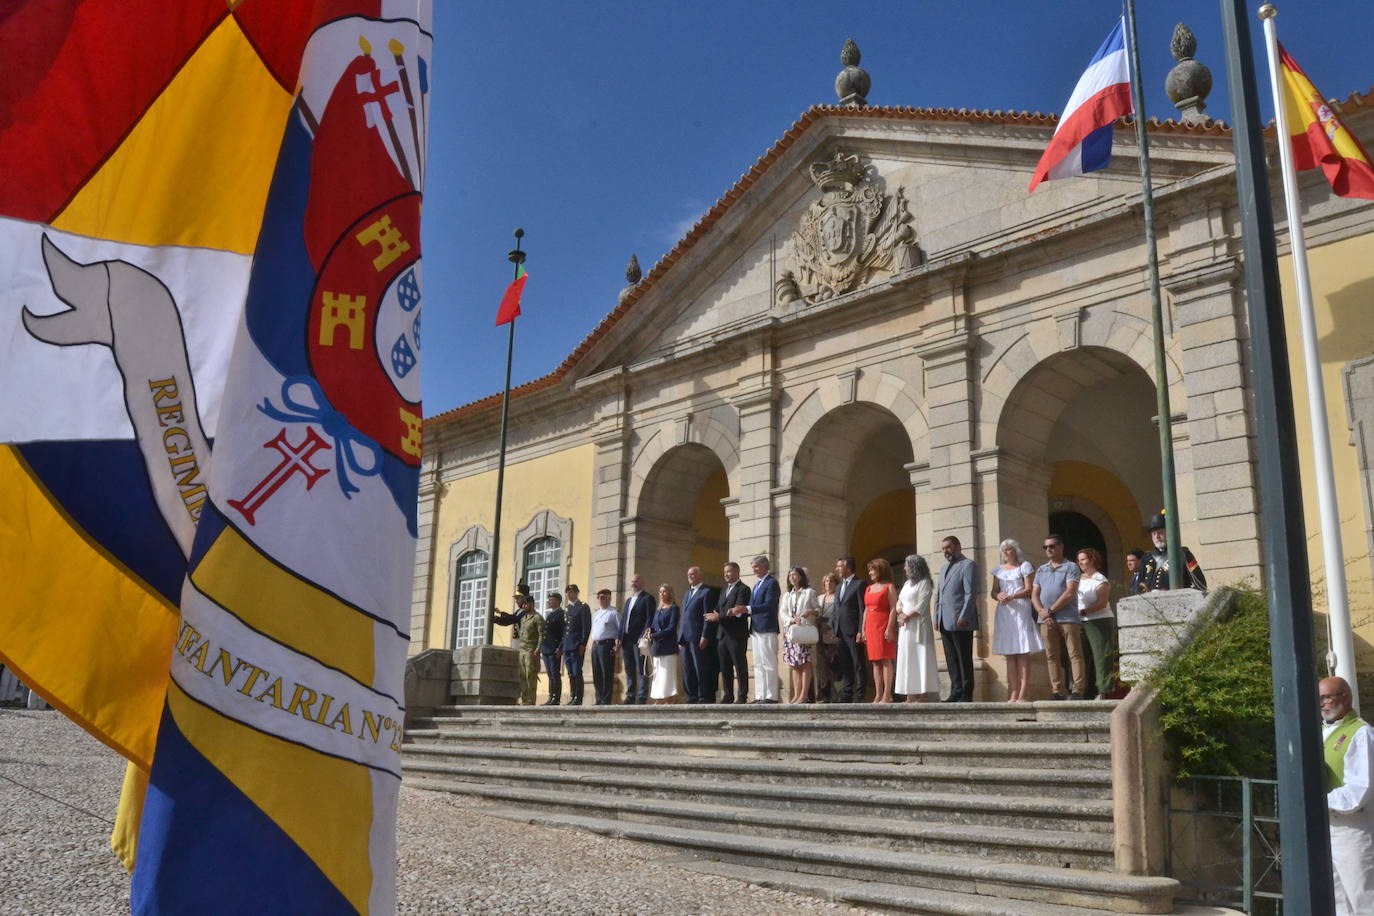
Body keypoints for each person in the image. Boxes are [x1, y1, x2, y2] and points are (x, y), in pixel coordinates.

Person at [1320, 676, 1374, 915]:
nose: (1322, 703)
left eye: (1327, 697)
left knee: (1363, 898)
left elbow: (1360, 790)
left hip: (1352, 829)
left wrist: (1318, 801)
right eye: (1319, 698)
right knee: (1337, 899)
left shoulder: (1362, 734)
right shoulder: (1322, 731)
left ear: (1346, 697)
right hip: (1327, 826)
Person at [1032, 534, 1084, 700]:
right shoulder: (1041, 569)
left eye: (1052, 546)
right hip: (1045, 619)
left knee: (1074, 654)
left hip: (1067, 618)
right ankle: (1058, 691)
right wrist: (1042, 612)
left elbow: (1070, 592)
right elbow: (1034, 594)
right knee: (1051, 656)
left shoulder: (1071, 567)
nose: (1048, 549)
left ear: (1061, 547)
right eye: (1045, 547)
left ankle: (1078, 690)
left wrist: (1050, 610)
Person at [991, 539, 1041, 703]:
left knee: (1022, 652)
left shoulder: (1024, 566)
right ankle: (1013, 691)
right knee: (1010, 653)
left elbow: (1029, 589)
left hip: (1020, 608)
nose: (1005, 552)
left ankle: (1024, 692)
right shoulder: (998, 570)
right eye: (1003, 550)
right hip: (1005, 611)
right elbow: (994, 591)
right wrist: (999, 595)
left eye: (1009, 549)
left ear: (1015, 551)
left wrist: (1012, 595)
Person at [936, 536, 979, 702]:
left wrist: (964, 616)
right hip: (944, 620)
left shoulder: (968, 565)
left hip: (961, 620)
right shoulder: (943, 568)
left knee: (963, 657)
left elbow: (970, 594)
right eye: (943, 548)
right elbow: (938, 594)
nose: (946, 551)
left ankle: (966, 693)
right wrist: (936, 616)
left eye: (948, 547)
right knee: (951, 658)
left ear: (958, 546)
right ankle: (955, 691)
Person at [733, 555, 781, 704]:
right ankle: (760, 695)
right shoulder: (757, 585)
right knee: (758, 663)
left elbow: (769, 605)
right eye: (753, 567)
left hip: (767, 627)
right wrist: (740, 611)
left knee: (769, 662)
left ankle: (771, 695)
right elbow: (751, 606)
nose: (754, 569)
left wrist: (747, 608)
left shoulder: (771, 583)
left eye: (756, 566)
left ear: (765, 567)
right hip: (756, 628)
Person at [894, 554, 939, 702]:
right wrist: (900, 614)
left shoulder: (925, 583)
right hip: (905, 627)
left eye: (907, 565)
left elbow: (922, 603)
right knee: (908, 658)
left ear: (914, 566)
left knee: (920, 657)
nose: (905, 568)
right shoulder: (907, 584)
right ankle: (910, 694)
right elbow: (899, 602)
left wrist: (907, 616)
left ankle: (923, 694)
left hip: (918, 625)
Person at [1076, 548, 1118, 700]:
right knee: (1081, 657)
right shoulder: (1077, 579)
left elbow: (1102, 602)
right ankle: (1079, 691)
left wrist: (1084, 612)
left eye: (1083, 559)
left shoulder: (1100, 579)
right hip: (1081, 623)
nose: (1080, 563)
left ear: (1092, 560)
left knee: (1101, 657)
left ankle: (1103, 691)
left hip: (1099, 621)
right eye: (1078, 560)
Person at [709, 561, 751, 704]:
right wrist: (715, 613)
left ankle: (742, 695)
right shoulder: (723, 590)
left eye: (729, 571)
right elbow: (718, 608)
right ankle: (728, 695)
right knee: (724, 666)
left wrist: (718, 617)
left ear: (737, 572)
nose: (726, 574)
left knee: (739, 665)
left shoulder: (743, 589)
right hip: (722, 635)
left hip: (736, 634)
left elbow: (737, 612)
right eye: (725, 572)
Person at [860, 558, 899, 703]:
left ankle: (887, 694)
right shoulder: (868, 588)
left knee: (886, 660)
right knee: (875, 662)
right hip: (870, 626)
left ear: (880, 570)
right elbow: (865, 609)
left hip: (883, 625)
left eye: (872, 570)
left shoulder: (889, 587)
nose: (870, 572)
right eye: (869, 570)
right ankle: (878, 694)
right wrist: (863, 629)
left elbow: (893, 608)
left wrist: (889, 628)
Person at [679, 566, 720, 704]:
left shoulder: (706, 592)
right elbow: (683, 616)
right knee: (687, 668)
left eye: (693, 574)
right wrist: (680, 637)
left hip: (698, 637)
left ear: (699, 576)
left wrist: (705, 635)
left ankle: (703, 696)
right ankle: (691, 696)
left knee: (700, 667)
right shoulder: (686, 594)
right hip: (685, 638)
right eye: (688, 574)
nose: (690, 576)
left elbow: (707, 616)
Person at [779, 566, 819, 704]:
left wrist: (811, 612)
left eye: (795, 575)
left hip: (804, 631)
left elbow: (818, 609)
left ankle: (804, 694)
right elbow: (782, 612)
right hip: (791, 632)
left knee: (805, 662)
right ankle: (796, 695)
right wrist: (790, 620)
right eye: (790, 575)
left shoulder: (809, 592)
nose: (792, 577)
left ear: (801, 577)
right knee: (794, 664)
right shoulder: (787, 595)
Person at [1140, 512, 1207, 592]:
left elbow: (1200, 584)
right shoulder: (1147, 558)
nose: (1157, 537)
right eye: (1154, 534)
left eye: (1160, 533)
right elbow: (1139, 588)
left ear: (1168, 533)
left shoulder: (1183, 554)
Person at [832, 556, 867, 703]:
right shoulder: (839, 586)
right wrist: (834, 629)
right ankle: (847, 693)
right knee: (845, 663)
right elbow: (836, 609)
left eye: (839, 566)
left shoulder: (859, 584)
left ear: (848, 568)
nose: (837, 569)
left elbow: (861, 609)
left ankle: (860, 694)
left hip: (853, 630)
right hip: (840, 631)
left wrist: (861, 630)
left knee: (858, 662)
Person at [619, 573, 653, 704]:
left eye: (636, 581)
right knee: (629, 668)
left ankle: (642, 695)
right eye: (632, 581)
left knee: (642, 667)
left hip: (639, 640)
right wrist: (619, 637)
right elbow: (623, 620)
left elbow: (649, 619)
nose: (634, 583)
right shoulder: (628, 600)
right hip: (626, 640)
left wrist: (643, 636)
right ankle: (631, 695)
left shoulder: (647, 598)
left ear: (642, 583)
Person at [647, 585, 682, 704]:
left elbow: (672, 628)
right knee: (658, 674)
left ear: (670, 593)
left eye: (664, 592)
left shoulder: (674, 609)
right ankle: (658, 697)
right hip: (657, 647)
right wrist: (649, 631)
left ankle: (669, 698)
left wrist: (655, 636)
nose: (662, 594)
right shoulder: (658, 610)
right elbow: (653, 625)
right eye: (660, 592)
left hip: (668, 646)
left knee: (667, 673)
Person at [588, 588, 620, 705]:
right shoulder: (596, 614)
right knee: (597, 674)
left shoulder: (614, 612)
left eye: (604, 597)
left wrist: (618, 644)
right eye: (599, 597)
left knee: (606, 673)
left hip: (607, 645)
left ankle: (606, 700)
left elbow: (619, 630)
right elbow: (594, 631)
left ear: (609, 599)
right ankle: (599, 698)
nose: (601, 600)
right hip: (596, 645)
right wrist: (591, 644)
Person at [561, 585, 590, 705]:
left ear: (577, 592)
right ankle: (573, 695)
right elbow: (565, 629)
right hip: (567, 645)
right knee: (570, 672)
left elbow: (586, 626)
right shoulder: (567, 608)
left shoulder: (582, 607)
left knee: (577, 671)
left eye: (571, 592)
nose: (569, 594)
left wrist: (583, 643)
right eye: (567, 592)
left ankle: (578, 697)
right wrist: (562, 646)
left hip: (577, 644)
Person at [813, 572, 840, 703]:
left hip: (833, 635)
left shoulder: (838, 597)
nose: (828, 584)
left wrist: (829, 626)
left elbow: (839, 615)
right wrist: (818, 624)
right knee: (822, 666)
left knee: (834, 665)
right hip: (821, 636)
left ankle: (836, 694)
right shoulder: (819, 598)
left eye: (831, 581)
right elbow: (816, 615)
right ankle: (823, 694)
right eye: (826, 581)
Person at [539, 592, 567, 705]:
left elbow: (564, 633)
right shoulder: (550, 615)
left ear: (557, 601)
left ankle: (556, 698)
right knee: (550, 674)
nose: (549, 602)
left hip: (554, 648)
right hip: (546, 648)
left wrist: (560, 647)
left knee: (555, 673)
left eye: (551, 600)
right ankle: (551, 696)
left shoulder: (561, 614)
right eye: (549, 599)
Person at [516, 596, 545, 705]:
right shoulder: (523, 618)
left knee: (530, 674)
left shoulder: (537, 618)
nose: (524, 606)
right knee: (522, 675)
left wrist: (538, 650)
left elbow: (541, 635)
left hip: (531, 649)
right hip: (522, 649)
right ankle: (524, 698)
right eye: (523, 604)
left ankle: (531, 699)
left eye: (526, 604)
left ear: (532, 604)